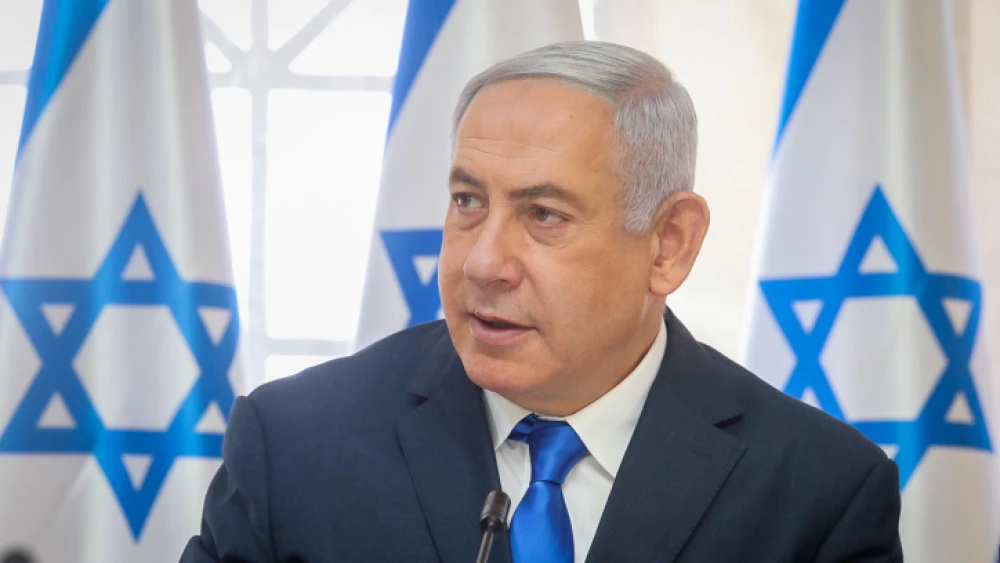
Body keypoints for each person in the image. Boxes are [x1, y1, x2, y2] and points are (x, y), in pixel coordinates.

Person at [180, 41, 902, 563]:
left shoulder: (819, 492)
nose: (484, 261)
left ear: (668, 244)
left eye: (544, 214)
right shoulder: (291, 446)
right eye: (467, 201)